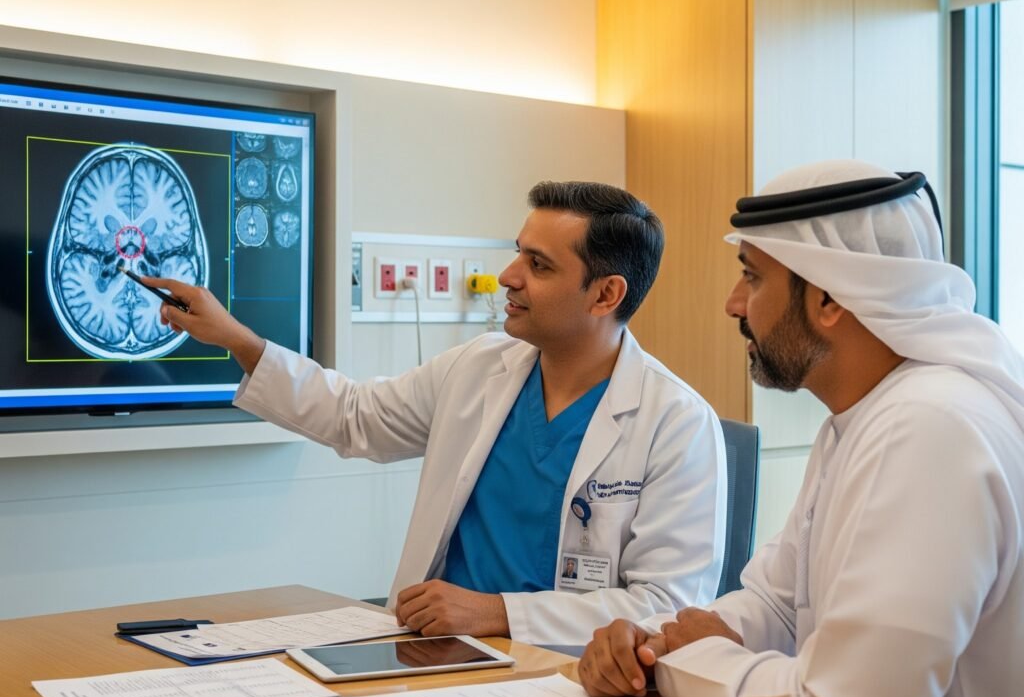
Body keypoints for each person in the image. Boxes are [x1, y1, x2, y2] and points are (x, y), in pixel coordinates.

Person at [578, 160, 1024, 697]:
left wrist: (687, 661)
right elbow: (781, 606)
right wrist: (646, 644)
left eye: (753, 278)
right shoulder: (864, 417)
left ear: (830, 298)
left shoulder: (930, 427)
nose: (734, 303)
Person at [146, 181, 726, 645]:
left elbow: (665, 608)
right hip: (433, 652)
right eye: (517, 252)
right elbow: (356, 416)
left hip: (564, 676)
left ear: (606, 295)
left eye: (540, 265)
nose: (509, 276)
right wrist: (235, 338)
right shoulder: (480, 367)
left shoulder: (676, 422)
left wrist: (499, 614)